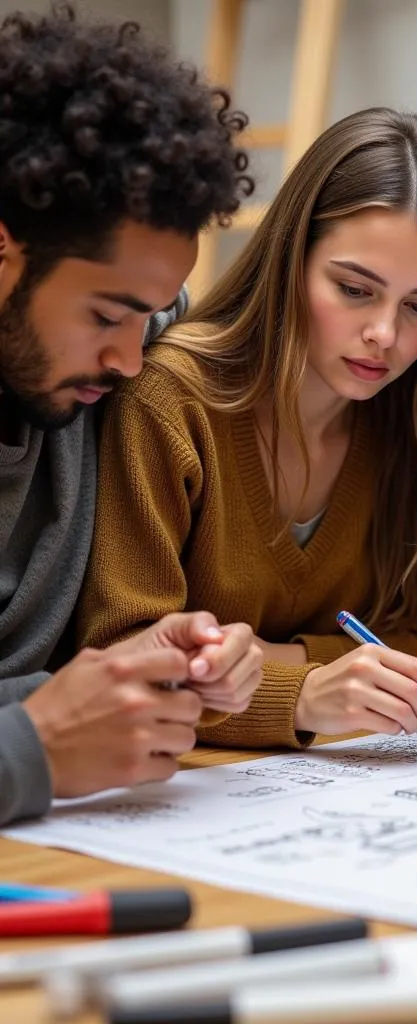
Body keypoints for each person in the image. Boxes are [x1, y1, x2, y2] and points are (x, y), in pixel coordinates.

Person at [78, 108, 417, 748]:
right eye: (355, 289)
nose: (385, 334)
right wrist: (304, 692)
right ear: (292, 257)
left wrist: (278, 659)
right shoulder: (169, 399)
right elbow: (121, 655)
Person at [0, 6, 261, 827]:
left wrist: (145, 665)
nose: (133, 361)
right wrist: (29, 748)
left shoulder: (101, 354)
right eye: (109, 316)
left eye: (146, 316)